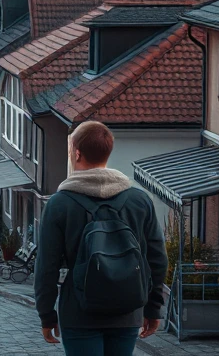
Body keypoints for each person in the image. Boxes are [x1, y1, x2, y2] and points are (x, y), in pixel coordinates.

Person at [34, 121, 167, 356]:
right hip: (127, 311)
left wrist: (46, 314)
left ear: (76, 153)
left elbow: (47, 266)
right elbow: (157, 259)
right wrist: (153, 308)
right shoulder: (139, 200)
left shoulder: (60, 204)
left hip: (79, 312)